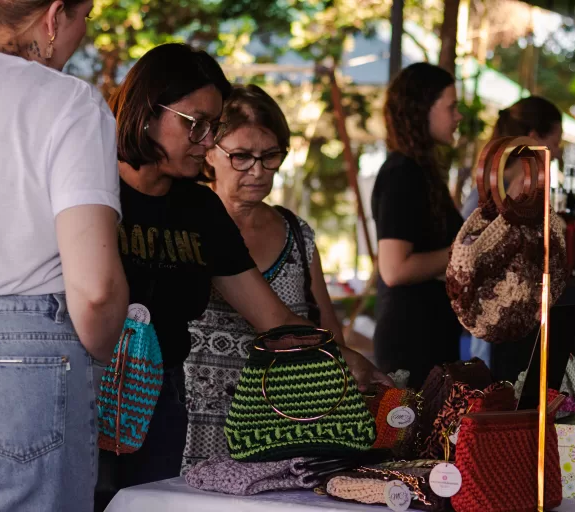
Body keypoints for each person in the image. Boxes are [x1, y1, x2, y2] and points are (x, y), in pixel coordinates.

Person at [99, 44, 384, 502]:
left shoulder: (198, 209)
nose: (207, 140)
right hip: (88, 386)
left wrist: (351, 363)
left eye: (212, 127)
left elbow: (274, 319)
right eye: (195, 124)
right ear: (147, 112)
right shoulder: (92, 186)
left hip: (161, 403)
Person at [0, 1, 129, 511]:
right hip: (20, 363)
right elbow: (97, 288)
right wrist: (99, 359)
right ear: (55, 16)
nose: (82, 34)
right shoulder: (68, 101)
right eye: (85, 19)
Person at [181, 84, 393, 470]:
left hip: (282, 424)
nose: (258, 171)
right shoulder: (188, 226)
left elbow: (328, 329)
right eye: (242, 156)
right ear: (209, 152)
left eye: (270, 156)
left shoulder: (297, 235)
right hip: (193, 420)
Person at [371, 63, 464, 389]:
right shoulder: (402, 173)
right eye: (451, 107)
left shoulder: (421, 172)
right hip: (410, 343)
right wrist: (464, 251)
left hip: (432, 337)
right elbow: (395, 268)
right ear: (422, 108)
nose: (458, 117)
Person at [459, 96, 563, 378]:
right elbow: (473, 256)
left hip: (514, 322)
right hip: (494, 330)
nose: (558, 150)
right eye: (555, 140)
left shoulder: (519, 189)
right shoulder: (493, 191)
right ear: (533, 139)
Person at [461, 96, 563, 219]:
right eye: (555, 143)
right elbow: (464, 237)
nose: (557, 153)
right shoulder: (489, 195)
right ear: (533, 140)